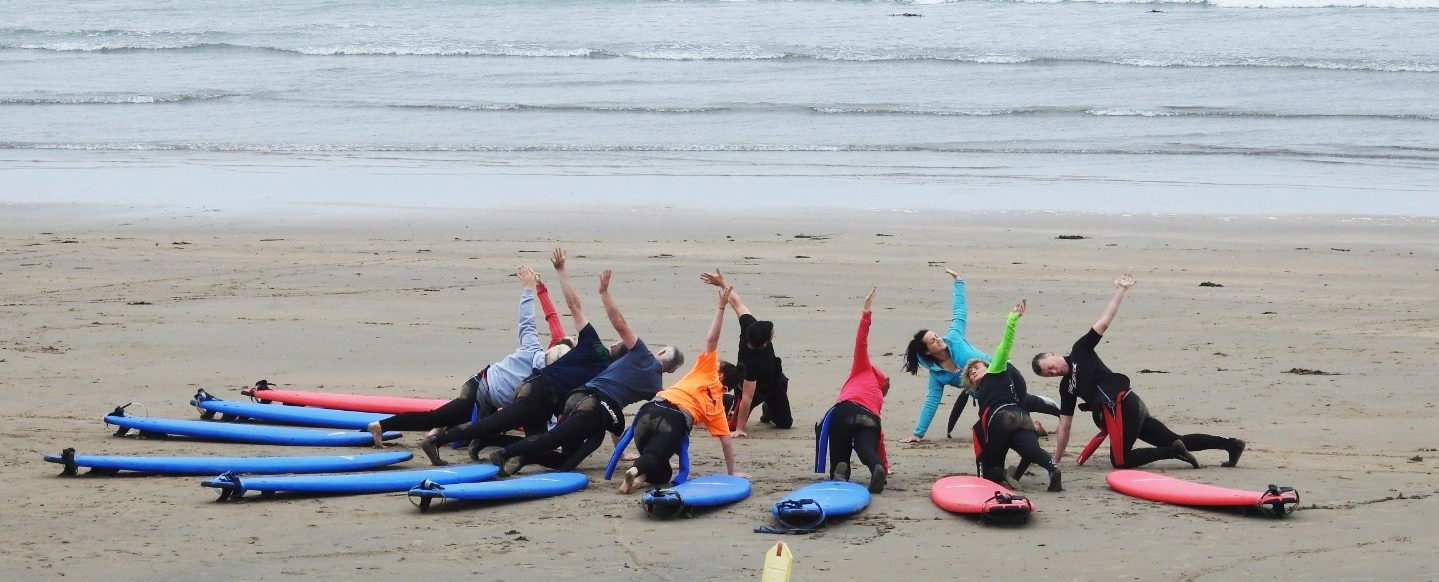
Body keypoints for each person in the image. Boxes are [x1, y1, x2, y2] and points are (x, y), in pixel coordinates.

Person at [417, 248, 615, 465]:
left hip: (529, 392)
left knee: (528, 439)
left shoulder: (570, 345)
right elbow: (554, 317)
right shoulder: (595, 370)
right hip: (534, 393)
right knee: (512, 430)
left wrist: (541, 286)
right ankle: (480, 448)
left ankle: (493, 449)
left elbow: (554, 316)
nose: (573, 337)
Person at [1032, 275, 1245, 469]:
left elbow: (1104, 322)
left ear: (1052, 353)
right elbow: (1065, 424)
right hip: (1128, 411)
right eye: (1048, 374)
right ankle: (1231, 444)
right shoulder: (1066, 388)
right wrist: (1056, 458)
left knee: (1120, 461)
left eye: (1049, 366)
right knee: (1174, 438)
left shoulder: (1080, 350)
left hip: (1124, 406)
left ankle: (1174, 453)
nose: (1053, 371)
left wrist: (1120, 291)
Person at [486, 268, 683, 476]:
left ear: (660, 351)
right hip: (595, 407)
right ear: (670, 371)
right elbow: (657, 418)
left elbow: (619, 323)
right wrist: (667, 457)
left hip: (576, 397)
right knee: (559, 440)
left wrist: (604, 292)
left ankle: (525, 455)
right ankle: (505, 452)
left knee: (565, 449)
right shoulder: (656, 387)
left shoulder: (639, 352)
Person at [364, 264, 570, 447]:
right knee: (437, 417)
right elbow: (537, 321)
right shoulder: (544, 376)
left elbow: (527, 321)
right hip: (478, 389)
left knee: (477, 426)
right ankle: (381, 425)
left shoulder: (534, 349)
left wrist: (528, 288)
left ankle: (443, 427)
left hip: (488, 394)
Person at [901, 268, 1057, 444]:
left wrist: (958, 282)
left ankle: (1055, 410)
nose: (938, 339)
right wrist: (918, 434)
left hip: (1003, 374)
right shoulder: (937, 376)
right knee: (1004, 426)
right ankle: (1035, 427)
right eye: (932, 341)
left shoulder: (953, 338)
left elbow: (959, 312)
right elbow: (931, 403)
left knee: (1024, 402)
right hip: (986, 397)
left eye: (936, 335)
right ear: (927, 351)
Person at [618, 284, 744, 493]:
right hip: (674, 418)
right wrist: (732, 474)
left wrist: (721, 307)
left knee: (664, 472)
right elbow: (727, 444)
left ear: (720, 375)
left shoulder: (707, 371)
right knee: (656, 456)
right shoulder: (718, 408)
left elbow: (711, 339)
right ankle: (634, 472)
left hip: (649, 410)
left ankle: (639, 479)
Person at [963, 299, 1062, 492]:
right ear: (972, 384)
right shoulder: (982, 391)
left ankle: (1002, 474)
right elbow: (1030, 397)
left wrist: (1012, 318)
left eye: (976, 367)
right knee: (1032, 451)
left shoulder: (997, 368)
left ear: (988, 365)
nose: (973, 372)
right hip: (1022, 417)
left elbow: (1005, 344)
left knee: (992, 470)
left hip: (1000, 418)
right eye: (970, 374)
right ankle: (1052, 467)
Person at [700, 269, 791, 437]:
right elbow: (748, 397)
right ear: (765, 342)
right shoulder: (752, 364)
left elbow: (737, 303)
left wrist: (723, 283)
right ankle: (723, 401)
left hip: (774, 383)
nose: (773, 332)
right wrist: (741, 428)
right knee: (732, 426)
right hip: (754, 389)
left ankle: (768, 408)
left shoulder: (750, 326)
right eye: (772, 332)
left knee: (785, 424)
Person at [819, 286, 890, 493]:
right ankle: (874, 467)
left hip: (846, 409)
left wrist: (866, 312)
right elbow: (880, 439)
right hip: (870, 417)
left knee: (840, 447)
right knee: (866, 447)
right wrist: (883, 464)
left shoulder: (863, 369)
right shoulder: (878, 397)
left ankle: (840, 470)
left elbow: (861, 343)